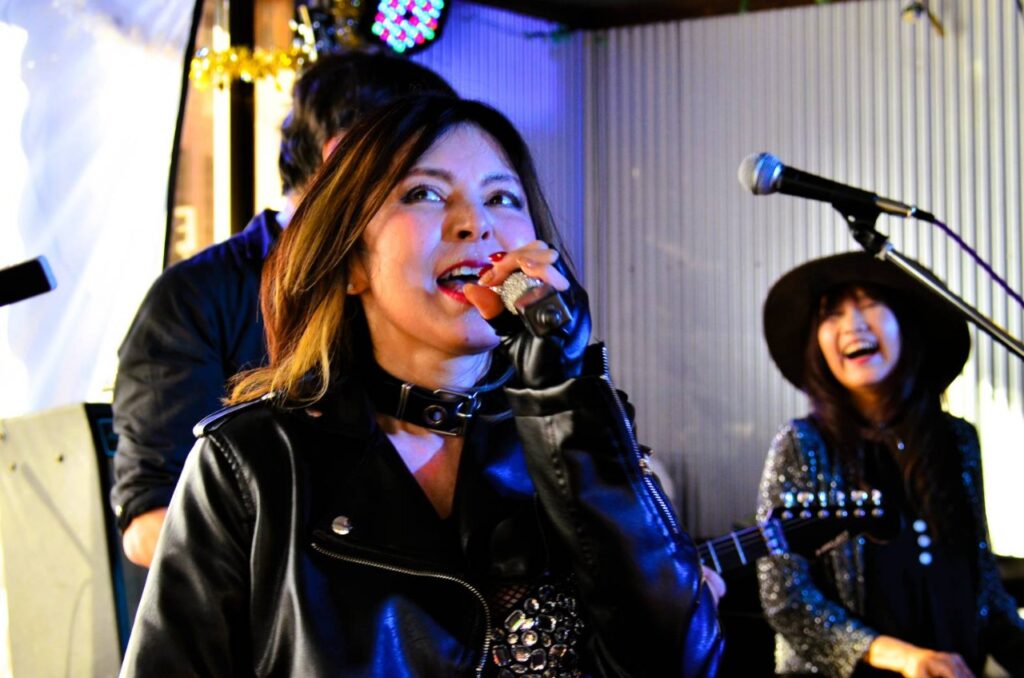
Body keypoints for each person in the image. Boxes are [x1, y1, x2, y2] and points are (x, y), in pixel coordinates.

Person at [120, 95, 724, 676]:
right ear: (352, 264)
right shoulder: (252, 462)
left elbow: (681, 662)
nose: (475, 223)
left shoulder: (575, 429)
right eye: (425, 193)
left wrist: (566, 396)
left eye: (502, 197)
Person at [110, 52, 456, 567]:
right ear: (343, 156)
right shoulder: (197, 295)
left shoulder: (428, 291)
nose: (451, 205)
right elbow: (149, 523)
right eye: (426, 180)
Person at [755, 251, 1024, 677]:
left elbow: (984, 585)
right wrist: (902, 657)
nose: (853, 325)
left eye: (869, 304)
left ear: (906, 323)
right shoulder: (802, 443)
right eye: (833, 314)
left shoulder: (957, 440)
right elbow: (786, 598)